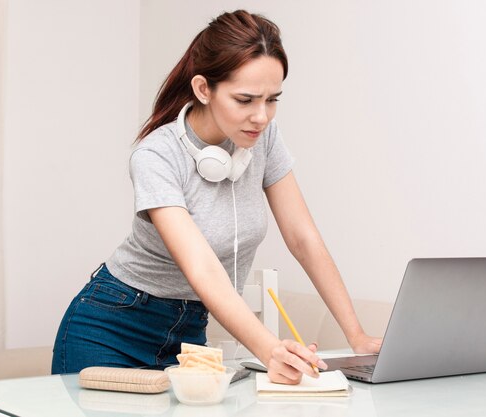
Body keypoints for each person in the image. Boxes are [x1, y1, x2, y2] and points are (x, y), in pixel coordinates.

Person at [52, 9, 381, 384]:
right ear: (203, 89)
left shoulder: (264, 140)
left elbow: (303, 238)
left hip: (189, 335)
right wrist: (270, 349)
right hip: (112, 327)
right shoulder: (156, 156)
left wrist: (356, 335)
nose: (261, 116)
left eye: (272, 99)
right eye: (245, 100)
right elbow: (202, 268)